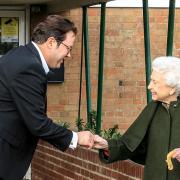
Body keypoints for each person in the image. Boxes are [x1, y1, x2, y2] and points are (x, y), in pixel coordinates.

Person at [0, 15, 94, 180]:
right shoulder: (28, 66)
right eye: (68, 48)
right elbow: (37, 123)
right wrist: (77, 137)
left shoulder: (22, 55)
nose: (69, 55)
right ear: (51, 42)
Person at [94, 56, 180, 180]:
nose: (149, 86)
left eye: (155, 82)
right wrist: (106, 145)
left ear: (172, 88)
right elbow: (132, 145)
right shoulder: (152, 109)